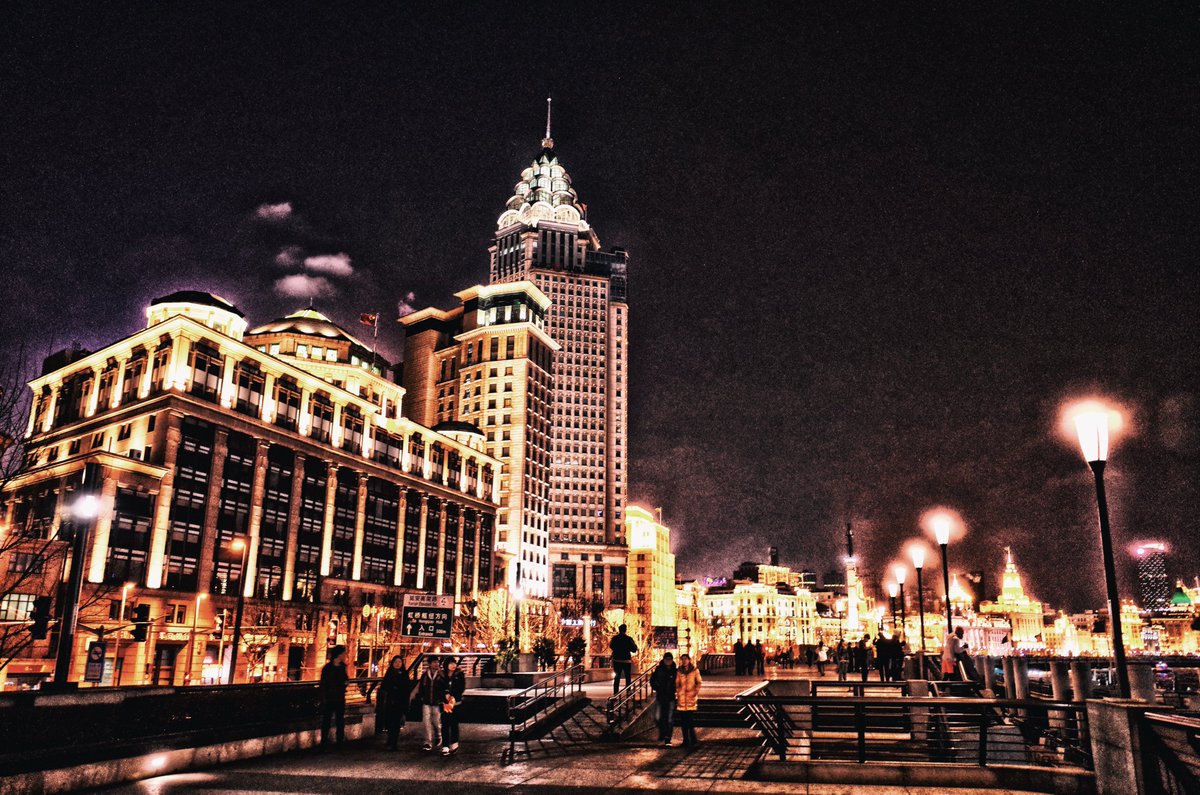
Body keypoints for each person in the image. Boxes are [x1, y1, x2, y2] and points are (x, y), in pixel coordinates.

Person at [319, 645, 349, 748]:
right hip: (329, 697)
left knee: (340, 720)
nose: (345, 655)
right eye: (344, 653)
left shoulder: (342, 667)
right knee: (327, 721)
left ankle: (339, 741)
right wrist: (324, 698)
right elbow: (323, 684)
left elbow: (345, 679)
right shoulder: (327, 668)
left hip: (339, 697)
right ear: (339, 654)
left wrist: (344, 684)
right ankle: (324, 742)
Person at [378, 654, 410, 750]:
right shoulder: (389, 673)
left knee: (396, 722)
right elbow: (384, 686)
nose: (397, 664)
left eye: (400, 662)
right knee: (389, 721)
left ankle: (394, 742)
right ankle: (390, 739)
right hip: (389, 701)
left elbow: (406, 689)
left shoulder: (404, 674)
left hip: (399, 702)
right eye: (396, 662)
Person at [414, 657, 447, 751]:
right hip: (426, 702)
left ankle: (438, 735)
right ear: (429, 664)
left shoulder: (441, 675)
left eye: (437, 662)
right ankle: (427, 742)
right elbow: (421, 688)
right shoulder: (425, 675)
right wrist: (421, 697)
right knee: (426, 722)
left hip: (437, 702)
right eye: (434, 662)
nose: (436, 664)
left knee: (436, 722)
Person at [674, 653, 703, 748]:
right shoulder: (679, 671)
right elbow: (677, 683)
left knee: (690, 721)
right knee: (683, 722)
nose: (684, 661)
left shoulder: (694, 671)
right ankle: (686, 740)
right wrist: (679, 691)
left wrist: (694, 692)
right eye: (682, 659)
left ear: (689, 660)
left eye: (685, 659)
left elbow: (699, 682)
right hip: (682, 699)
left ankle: (693, 740)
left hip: (691, 699)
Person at [649, 652, 678, 746]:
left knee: (669, 718)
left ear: (672, 660)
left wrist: (674, 688)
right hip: (660, 696)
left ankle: (667, 737)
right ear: (664, 660)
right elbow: (652, 680)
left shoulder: (675, 671)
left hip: (670, 697)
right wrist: (657, 687)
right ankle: (662, 733)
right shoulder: (659, 669)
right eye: (666, 659)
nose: (668, 661)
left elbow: (678, 682)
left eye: (669, 659)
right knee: (658, 717)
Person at [441, 657, 466, 755]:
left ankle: (454, 742)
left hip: (456, 703)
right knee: (445, 724)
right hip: (445, 703)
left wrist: (453, 695)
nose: (453, 665)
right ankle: (445, 745)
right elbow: (440, 687)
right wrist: (445, 694)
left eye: (454, 663)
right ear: (446, 665)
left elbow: (461, 687)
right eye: (451, 663)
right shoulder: (442, 675)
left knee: (454, 723)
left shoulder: (459, 674)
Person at [610, 624, 638, 694]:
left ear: (619, 630)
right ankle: (628, 691)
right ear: (625, 630)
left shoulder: (615, 638)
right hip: (626, 660)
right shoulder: (628, 639)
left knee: (617, 677)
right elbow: (634, 649)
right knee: (627, 677)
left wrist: (617, 650)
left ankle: (615, 693)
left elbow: (611, 646)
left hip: (617, 660)